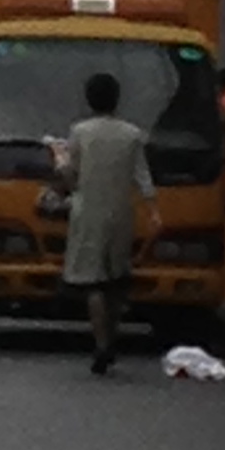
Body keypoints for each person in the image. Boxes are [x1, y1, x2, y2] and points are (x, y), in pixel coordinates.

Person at [58, 71, 155, 375]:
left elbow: (71, 176)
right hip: (121, 212)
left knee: (93, 281)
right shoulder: (132, 134)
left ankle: (101, 343)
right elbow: (143, 177)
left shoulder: (80, 132)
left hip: (87, 212)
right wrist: (153, 211)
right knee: (116, 279)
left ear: (89, 99)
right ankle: (111, 335)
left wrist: (59, 162)